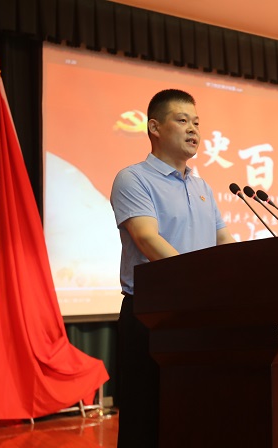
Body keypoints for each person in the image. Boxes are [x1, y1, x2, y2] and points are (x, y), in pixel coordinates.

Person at [110, 89, 235, 447]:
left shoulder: (202, 186)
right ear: (154, 127)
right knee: (147, 421)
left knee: (196, 416)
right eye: (182, 120)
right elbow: (147, 238)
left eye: (196, 122)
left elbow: (223, 240)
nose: (194, 129)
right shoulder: (133, 179)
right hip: (152, 316)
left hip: (201, 315)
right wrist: (199, 281)